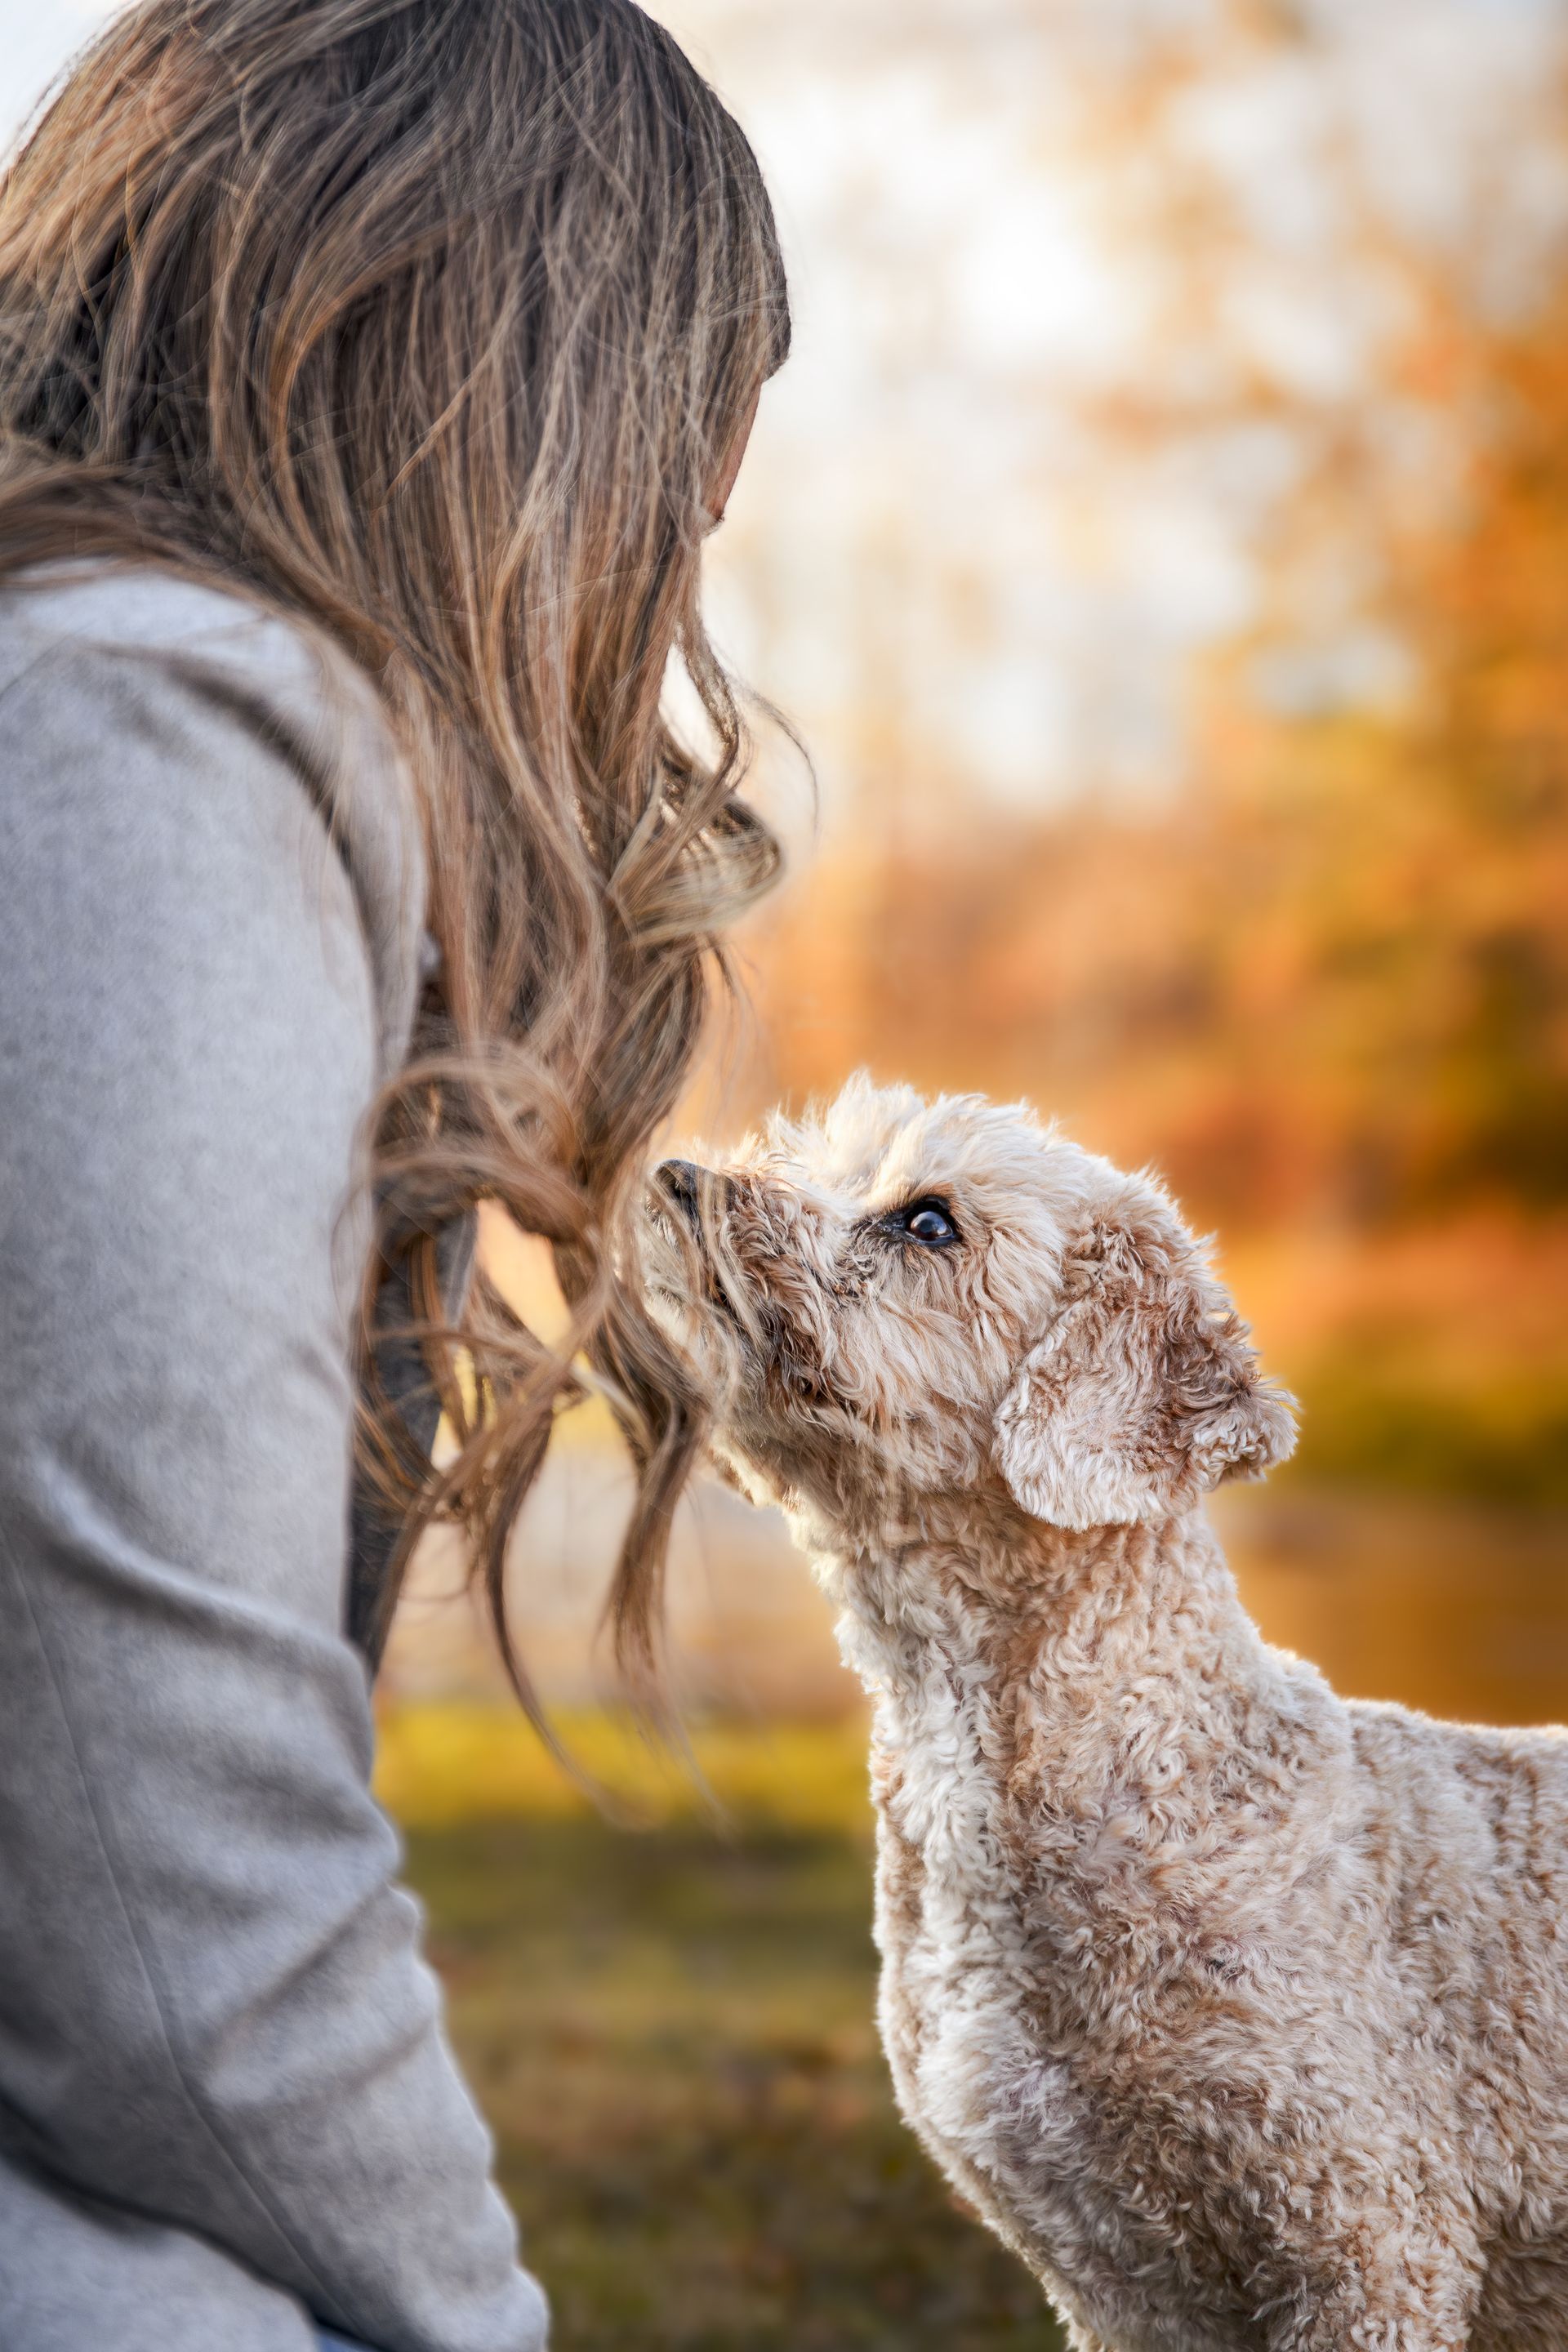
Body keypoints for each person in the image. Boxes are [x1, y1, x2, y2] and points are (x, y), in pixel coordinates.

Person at [0, 3, 789, 2347]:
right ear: (528, 414)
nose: (667, 604)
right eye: (676, 493)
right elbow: (156, 1873)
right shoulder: (146, 716)